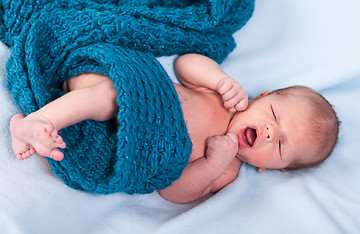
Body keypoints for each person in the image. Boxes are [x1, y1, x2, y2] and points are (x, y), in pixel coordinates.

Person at [9, 53, 340, 203]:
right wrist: (220, 79)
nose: (269, 132)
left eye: (280, 146)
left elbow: (173, 190)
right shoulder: (223, 96)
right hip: (130, 95)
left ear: (275, 169)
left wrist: (212, 162)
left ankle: (36, 126)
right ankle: (41, 121)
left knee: (94, 132)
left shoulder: (227, 170)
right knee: (110, 95)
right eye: (273, 115)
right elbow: (185, 63)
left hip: (127, 146)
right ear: (263, 96)